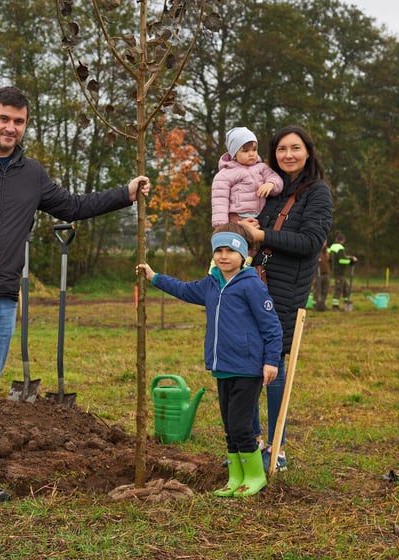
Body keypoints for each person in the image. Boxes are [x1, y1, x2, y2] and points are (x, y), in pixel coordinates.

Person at [0, 85, 151, 508]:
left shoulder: (31, 174)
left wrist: (125, 194)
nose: (11, 128)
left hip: (2, 300)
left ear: (25, 126)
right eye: (4, 119)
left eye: (18, 122)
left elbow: (73, 206)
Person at [137, 224, 282, 497]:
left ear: (244, 255)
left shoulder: (251, 285)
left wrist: (271, 361)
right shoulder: (211, 283)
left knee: (241, 426)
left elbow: (271, 326)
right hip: (222, 367)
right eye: (219, 251)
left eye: (230, 251)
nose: (224, 256)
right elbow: (183, 289)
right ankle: (235, 476)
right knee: (229, 427)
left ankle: (254, 476)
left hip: (248, 367)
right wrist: (154, 277)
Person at [238, 125, 333, 472]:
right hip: (254, 286)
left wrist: (263, 233)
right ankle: (252, 443)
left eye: (295, 148)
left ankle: (277, 450)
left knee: (273, 369)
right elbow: (261, 246)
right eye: (280, 149)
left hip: (285, 292)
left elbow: (309, 243)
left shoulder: (317, 193)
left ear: (308, 152)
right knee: (246, 367)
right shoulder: (270, 191)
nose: (288, 155)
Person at [211, 127, 283, 229]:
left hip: (262, 217)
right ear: (234, 155)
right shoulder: (224, 175)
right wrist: (222, 226)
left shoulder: (261, 167)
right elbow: (219, 201)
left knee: (260, 242)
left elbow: (276, 179)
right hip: (237, 219)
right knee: (242, 242)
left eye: (254, 149)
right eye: (245, 151)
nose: (251, 154)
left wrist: (271, 184)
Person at [328, 233, 356, 311]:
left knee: (345, 288)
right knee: (338, 289)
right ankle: (335, 306)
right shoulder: (340, 248)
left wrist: (349, 257)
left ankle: (346, 302)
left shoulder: (332, 247)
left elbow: (338, 258)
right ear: (343, 240)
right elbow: (341, 260)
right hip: (339, 272)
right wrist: (350, 261)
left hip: (338, 272)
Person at [312, 240, 330, 312]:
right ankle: (317, 305)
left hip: (326, 273)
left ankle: (323, 304)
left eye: (325, 242)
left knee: (325, 290)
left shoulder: (327, 251)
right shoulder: (316, 251)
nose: (324, 243)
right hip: (318, 274)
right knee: (317, 290)